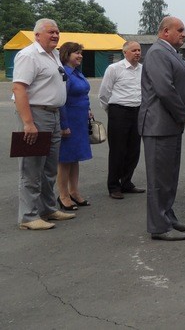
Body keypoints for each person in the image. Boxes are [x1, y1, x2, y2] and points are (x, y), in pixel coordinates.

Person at [138, 17, 185, 241]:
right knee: (158, 179)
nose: (184, 34)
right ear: (165, 32)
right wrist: (183, 112)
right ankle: (159, 227)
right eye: (180, 30)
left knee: (169, 177)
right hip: (159, 125)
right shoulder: (157, 53)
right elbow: (165, 89)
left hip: (170, 124)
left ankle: (168, 216)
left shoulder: (170, 52)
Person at [12, 18, 75, 230]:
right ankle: (28, 217)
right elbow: (19, 89)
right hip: (36, 115)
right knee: (31, 168)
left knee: (49, 167)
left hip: (54, 115)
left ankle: (48, 208)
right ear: (37, 35)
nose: (55, 35)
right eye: (50, 32)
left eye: (57, 32)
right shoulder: (29, 55)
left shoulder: (54, 55)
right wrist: (28, 123)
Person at [99, 41, 144, 199]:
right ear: (125, 52)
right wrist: (111, 111)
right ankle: (113, 185)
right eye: (133, 50)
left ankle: (126, 182)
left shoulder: (142, 69)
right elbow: (104, 93)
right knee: (118, 150)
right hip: (119, 111)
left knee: (134, 150)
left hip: (137, 111)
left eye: (139, 50)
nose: (137, 53)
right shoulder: (114, 69)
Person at [56, 42, 93, 210]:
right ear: (66, 54)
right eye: (76, 53)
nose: (80, 56)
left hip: (80, 120)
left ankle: (74, 192)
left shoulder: (77, 72)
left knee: (75, 158)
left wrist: (88, 110)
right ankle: (63, 195)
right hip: (69, 120)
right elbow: (61, 101)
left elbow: (83, 93)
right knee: (65, 160)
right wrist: (64, 125)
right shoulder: (65, 73)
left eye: (80, 53)